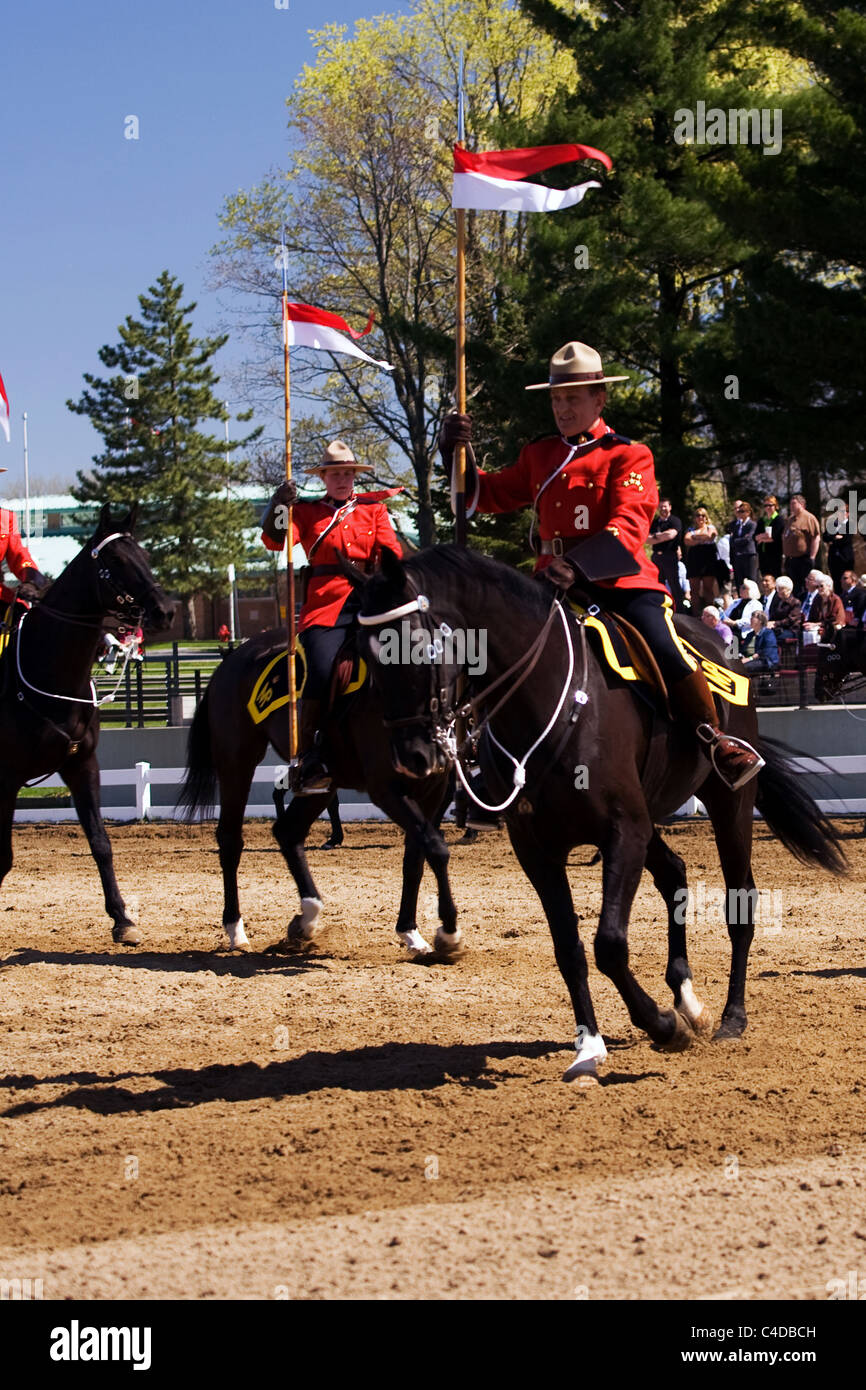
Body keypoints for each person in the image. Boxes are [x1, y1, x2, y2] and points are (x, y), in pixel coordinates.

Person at [439, 340, 763, 790]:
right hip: (550, 586)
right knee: (490, 646)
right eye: (555, 398)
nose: (562, 407)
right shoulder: (540, 455)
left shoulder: (628, 454)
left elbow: (629, 523)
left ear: (599, 397)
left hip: (618, 582)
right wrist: (457, 453)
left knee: (662, 642)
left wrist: (576, 564)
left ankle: (714, 737)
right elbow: (480, 497)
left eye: (572, 397)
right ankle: (482, 757)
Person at [260, 440, 403, 794]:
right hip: (325, 606)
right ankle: (309, 755)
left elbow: (392, 553)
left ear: (354, 477)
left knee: (409, 654)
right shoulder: (306, 513)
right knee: (323, 669)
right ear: (324, 477)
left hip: (370, 599)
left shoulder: (374, 511)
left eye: (347, 473)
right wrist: (278, 505)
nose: (342, 479)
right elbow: (275, 541)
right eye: (335, 473)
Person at [0, 481, 50, 623]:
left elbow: (18, 553)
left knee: (27, 620)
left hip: (1, 599)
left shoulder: (6, 518)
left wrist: (30, 579)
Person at [682, 507, 721, 615]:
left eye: (703, 515)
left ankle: (710, 613)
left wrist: (695, 537)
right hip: (694, 559)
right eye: (698, 515)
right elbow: (687, 540)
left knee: (708, 588)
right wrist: (701, 538)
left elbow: (710, 537)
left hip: (708, 559)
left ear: (706, 517)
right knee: (694, 589)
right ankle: (696, 614)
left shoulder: (710, 527)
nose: (700, 518)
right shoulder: (691, 529)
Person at [782, 495, 821, 597]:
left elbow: (816, 538)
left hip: (803, 559)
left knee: (803, 586)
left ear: (802, 504)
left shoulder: (809, 518)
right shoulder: (790, 519)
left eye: (794, 503)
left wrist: (812, 556)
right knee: (793, 586)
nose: (791, 506)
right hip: (790, 559)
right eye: (790, 504)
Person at [649, 499, 684, 609]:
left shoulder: (675, 521)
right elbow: (647, 539)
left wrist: (656, 536)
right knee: (658, 584)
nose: (663, 509)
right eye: (661, 507)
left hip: (670, 556)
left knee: (674, 583)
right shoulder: (654, 522)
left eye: (665, 506)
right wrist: (661, 536)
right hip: (656, 557)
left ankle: (679, 610)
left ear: (670, 507)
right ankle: (660, 607)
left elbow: (671, 535)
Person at [823, 502, 855, 595]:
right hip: (834, 559)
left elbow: (846, 539)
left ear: (847, 513)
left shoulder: (850, 524)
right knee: (836, 583)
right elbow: (825, 537)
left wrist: (833, 540)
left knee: (847, 582)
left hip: (845, 559)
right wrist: (834, 537)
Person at [726, 500, 759, 587]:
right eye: (738, 511)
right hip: (738, 556)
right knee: (739, 581)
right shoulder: (736, 525)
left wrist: (737, 540)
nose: (739, 513)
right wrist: (739, 539)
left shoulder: (752, 524)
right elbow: (732, 540)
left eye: (742, 511)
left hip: (749, 555)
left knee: (751, 580)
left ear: (748, 512)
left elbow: (748, 539)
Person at [810, 574, 846, 642]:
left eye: (821, 586)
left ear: (829, 586)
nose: (819, 589)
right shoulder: (817, 599)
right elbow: (812, 617)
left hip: (833, 631)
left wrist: (817, 624)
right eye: (817, 586)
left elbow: (835, 620)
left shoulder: (836, 599)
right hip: (818, 630)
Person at [755, 495, 784, 578]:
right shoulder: (761, 520)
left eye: (770, 505)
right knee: (765, 577)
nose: (768, 507)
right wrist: (765, 536)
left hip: (774, 554)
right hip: (763, 554)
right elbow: (755, 537)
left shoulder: (779, 519)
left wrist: (762, 537)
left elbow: (773, 537)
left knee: (775, 577)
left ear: (776, 506)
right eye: (765, 505)